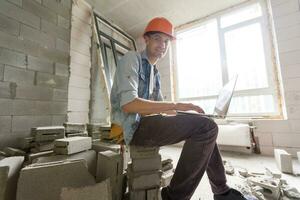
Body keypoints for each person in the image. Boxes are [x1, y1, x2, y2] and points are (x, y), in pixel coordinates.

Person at [110, 17, 246, 200]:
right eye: (157, 38)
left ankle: (222, 192)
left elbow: (159, 109)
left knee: (206, 125)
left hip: (145, 123)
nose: (163, 45)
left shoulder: (155, 73)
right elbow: (129, 105)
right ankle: (174, 197)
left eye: (166, 41)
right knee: (206, 127)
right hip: (127, 130)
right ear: (146, 39)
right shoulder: (131, 59)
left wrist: (184, 112)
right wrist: (176, 105)